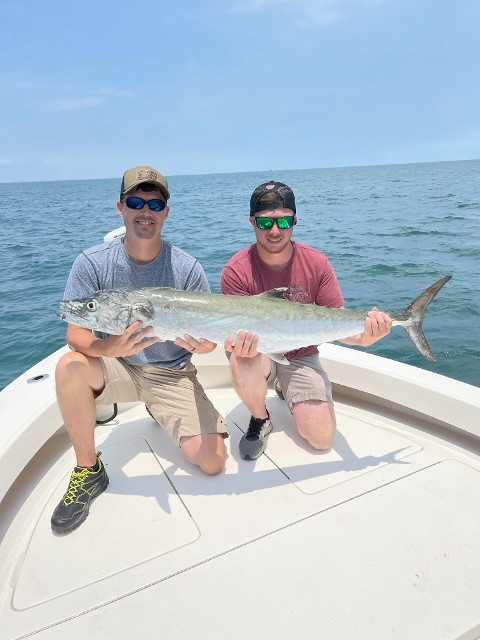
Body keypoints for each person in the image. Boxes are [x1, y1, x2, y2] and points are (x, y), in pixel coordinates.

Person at [52, 166, 227, 534]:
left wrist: (203, 344)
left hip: (170, 372)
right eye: (135, 202)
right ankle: (88, 470)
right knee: (70, 366)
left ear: (166, 211)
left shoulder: (187, 268)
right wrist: (110, 346)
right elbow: (76, 334)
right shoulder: (92, 263)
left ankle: (160, 407)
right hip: (117, 366)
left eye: (154, 203)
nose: (144, 211)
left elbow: (210, 337)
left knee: (213, 463)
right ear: (120, 208)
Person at [221, 180, 392, 461]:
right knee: (242, 358)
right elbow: (236, 335)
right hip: (257, 353)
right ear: (252, 222)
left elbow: (336, 324)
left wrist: (365, 337)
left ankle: (283, 385)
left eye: (284, 221)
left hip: (301, 354)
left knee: (321, 439)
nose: (275, 231)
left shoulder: (317, 264)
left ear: (295, 220)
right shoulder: (236, 271)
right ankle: (260, 417)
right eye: (265, 223)